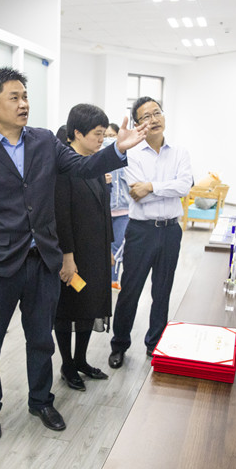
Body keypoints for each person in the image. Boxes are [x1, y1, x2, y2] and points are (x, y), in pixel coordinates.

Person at [0, 67, 148, 440]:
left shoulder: (44, 140)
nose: (23, 104)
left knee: (41, 339)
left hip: (42, 260)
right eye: (14, 97)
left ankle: (41, 400)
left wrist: (117, 149)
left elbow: (82, 166)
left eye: (25, 96)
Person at [109, 97, 193, 369]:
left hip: (170, 231)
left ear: (163, 116)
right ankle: (119, 345)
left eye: (157, 113)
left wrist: (152, 187)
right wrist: (162, 188)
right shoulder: (132, 154)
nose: (153, 119)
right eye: (146, 116)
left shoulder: (180, 152)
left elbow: (184, 187)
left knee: (162, 291)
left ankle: (155, 343)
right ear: (137, 124)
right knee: (130, 290)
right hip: (141, 231)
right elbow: (137, 193)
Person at [54, 105, 113, 391]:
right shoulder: (64, 167)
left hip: (95, 251)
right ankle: (67, 364)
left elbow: (103, 210)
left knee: (89, 307)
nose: (102, 139)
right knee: (68, 309)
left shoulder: (94, 163)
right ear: (77, 133)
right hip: (73, 254)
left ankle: (81, 359)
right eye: (97, 134)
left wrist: (108, 247)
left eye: (103, 134)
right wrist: (68, 257)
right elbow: (61, 216)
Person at [105, 122, 130, 289]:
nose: (108, 139)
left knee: (118, 246)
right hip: (104, 211)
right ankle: (106, 278)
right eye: (105, 136)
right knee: (105, 247)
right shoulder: (98, 158)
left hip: (123, 210)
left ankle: (113, 278)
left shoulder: (125, 158)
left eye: (112, 136)